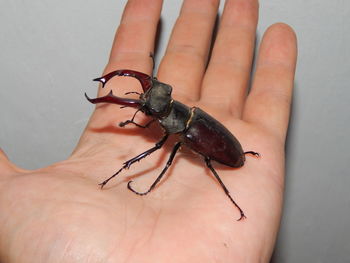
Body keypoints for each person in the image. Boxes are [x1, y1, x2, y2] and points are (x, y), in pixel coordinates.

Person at [0, 0, 297, 262]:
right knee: (163, 152)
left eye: (154, 105)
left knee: (180, 159)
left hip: (231, 154)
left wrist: (145, 183)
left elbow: (167, 155)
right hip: (217, 137)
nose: (149, 103)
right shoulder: (190, 115)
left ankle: (226, 195)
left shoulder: (188, 135)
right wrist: (136, 118)